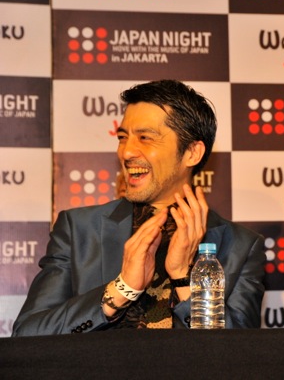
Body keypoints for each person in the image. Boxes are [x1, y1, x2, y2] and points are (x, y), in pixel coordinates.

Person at [13, 80, 266, 335]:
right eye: (123, 138)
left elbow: (238, 353)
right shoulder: (79, 229)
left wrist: (183, 279)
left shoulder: (240, 247)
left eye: (145, 138)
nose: (126, 152)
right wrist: (121, 289)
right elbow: (28, 334)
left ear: (192, 152)